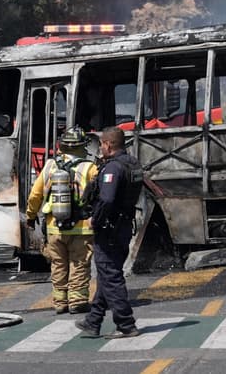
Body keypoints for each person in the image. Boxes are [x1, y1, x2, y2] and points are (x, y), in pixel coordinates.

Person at [75, 127, 143, 338]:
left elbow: (107, 199)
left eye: (102, 144)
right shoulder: (133, 164)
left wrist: (95, 219)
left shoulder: (113, 168)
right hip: (124, 226)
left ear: (108, 144)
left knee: (111, 275)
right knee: (107, 274)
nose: (100, 148)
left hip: (110, 230)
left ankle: (126, 324)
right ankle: (93, 321)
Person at [26, 127, 98, 315]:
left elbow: (35, 195)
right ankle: (77, 301)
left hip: (54, 227)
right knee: (79, 264)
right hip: (81, 228)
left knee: (58, 265)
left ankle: (60, 303)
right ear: (83, 146)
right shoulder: (90, 168)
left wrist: (30, 217)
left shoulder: (50, 166)